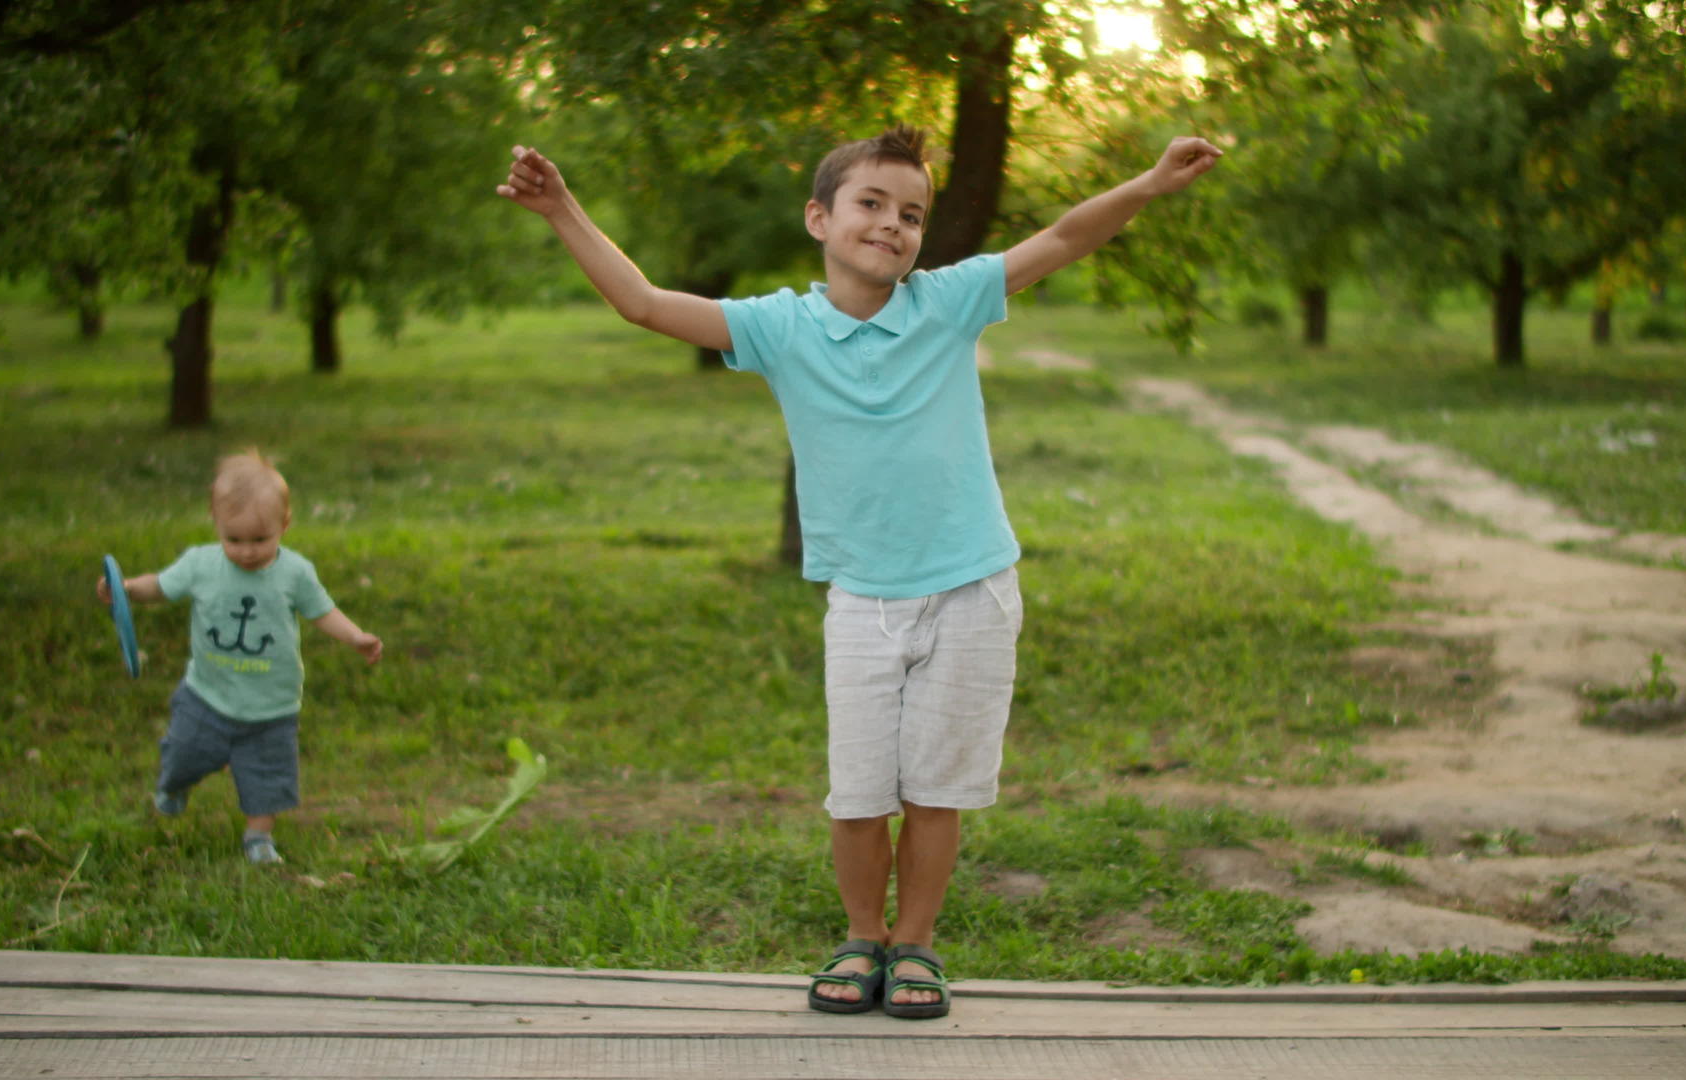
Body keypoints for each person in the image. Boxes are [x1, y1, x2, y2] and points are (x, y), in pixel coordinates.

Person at [498, 126, 1220, 1018]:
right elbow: (643, 303)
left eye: (910, 213)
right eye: (870, 204)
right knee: (859, 791)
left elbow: (1065, 238)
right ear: (819, 218)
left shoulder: (949, 302)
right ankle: (860, 938)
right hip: (864, 600)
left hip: (972, 588)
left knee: (936, 788)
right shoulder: (777, 327)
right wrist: (560, 207)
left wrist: (1147, 185)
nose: (891, 225)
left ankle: (913, 945)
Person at [97, 450, 383, 865]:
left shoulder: (295, 573)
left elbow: (323, 611)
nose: (247, 552)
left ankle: (258, 836)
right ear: (215, 522)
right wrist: (124, 590)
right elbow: (159, 587)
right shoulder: (200, 565)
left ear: (284, 525)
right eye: (234, 540)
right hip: (207, 695)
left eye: (260, 540)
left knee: (267, 774)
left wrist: (355, 636)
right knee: (182, 753)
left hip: (271, 706)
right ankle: (174, 785)